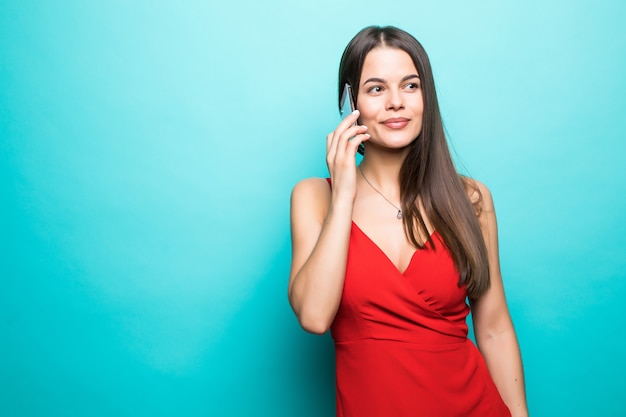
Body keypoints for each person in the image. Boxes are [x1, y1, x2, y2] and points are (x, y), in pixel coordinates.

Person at [288, 25, 528, 417]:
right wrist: (345, 193)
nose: (396, 102)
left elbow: (494, 327)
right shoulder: (315, 197)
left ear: (426, 98)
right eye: (376, 89)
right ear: (350, 103)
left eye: (411, 86)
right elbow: (314, 316)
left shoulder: (471, 198)